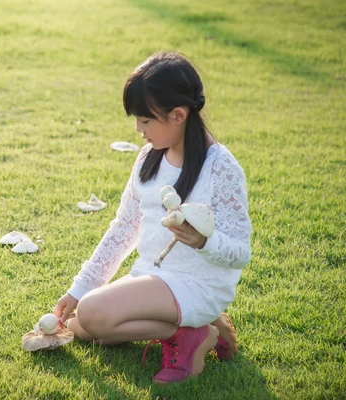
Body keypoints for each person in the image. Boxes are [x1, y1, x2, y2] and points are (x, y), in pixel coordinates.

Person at [53, 52, 250, 384]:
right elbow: (124, 229)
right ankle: (201, 325)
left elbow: (240, 252)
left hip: (199, 283)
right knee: (83, 327)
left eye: (145, 120)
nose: (138, 130)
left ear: (178, 115)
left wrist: (204, 241)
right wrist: (80, 287)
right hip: (153, 277)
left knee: (93, 314)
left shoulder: (221, 167)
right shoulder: (149, 158)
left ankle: (194, 333)